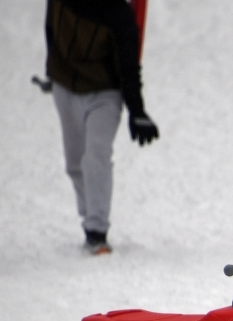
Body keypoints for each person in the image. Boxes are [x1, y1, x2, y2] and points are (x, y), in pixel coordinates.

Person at [45, 0, 159, 255]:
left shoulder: (119, 14)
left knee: (96, 154)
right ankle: (90, 220)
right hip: (64, 85)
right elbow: (51, 28)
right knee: (75, 162)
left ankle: (97, 230)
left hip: (105, 92)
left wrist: (137, 111)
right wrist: (51, 71)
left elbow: (129, 66)